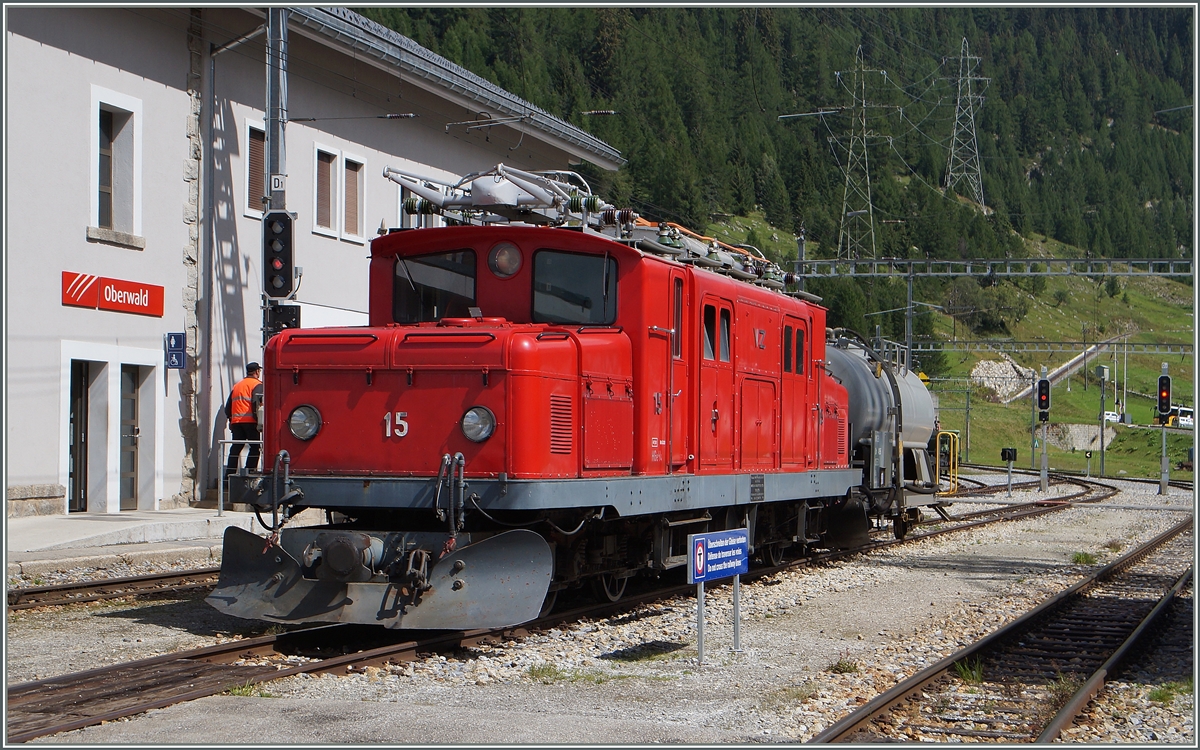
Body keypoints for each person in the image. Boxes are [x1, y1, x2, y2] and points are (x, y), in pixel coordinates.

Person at [225, 362, 264, 483]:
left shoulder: (237, 386)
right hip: (251, 422)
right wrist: (259, 421)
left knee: (236, 448)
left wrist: (231, 419)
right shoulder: (257, 385)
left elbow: (228, 407)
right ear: (257, 372)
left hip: (236, 422)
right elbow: (256, 403)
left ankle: (228, 477)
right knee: (255, 448)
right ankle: (249, 473)